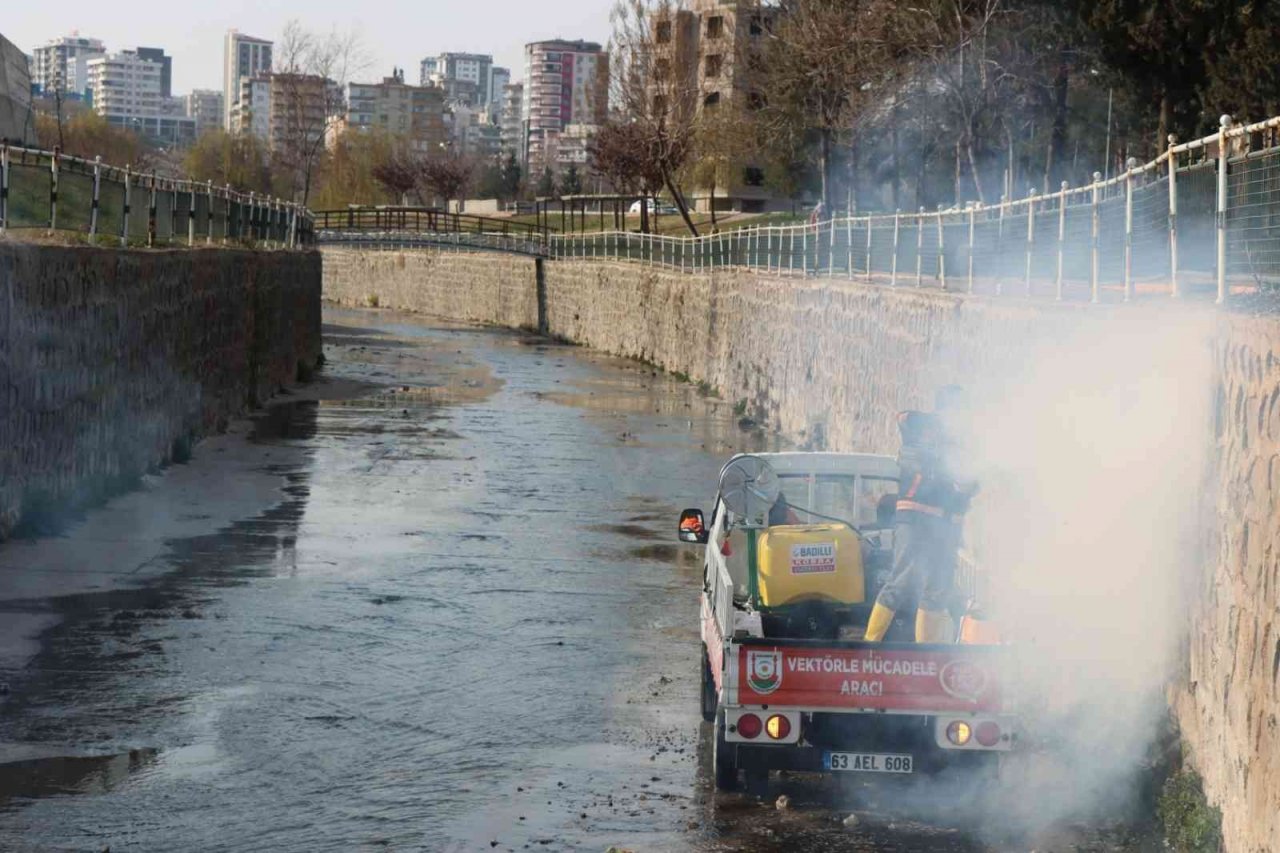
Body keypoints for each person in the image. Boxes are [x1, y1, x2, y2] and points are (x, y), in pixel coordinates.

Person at [864, 386, 978, 644]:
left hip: (944, 526)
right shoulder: (920, 428)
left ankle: (925, 652)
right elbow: (903, 417)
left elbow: (969, 486)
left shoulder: (963, 445)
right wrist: (941, 426)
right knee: (901, 581)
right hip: (914, 520)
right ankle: (869, 644)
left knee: (937, 589)